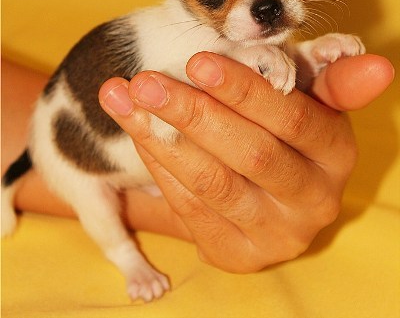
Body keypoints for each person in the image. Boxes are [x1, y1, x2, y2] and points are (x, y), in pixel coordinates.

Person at [1, 53, 394, 271]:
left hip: (81, 131)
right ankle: (123, 256)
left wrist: (302, 59)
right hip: (74, 152)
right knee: (94, 201)